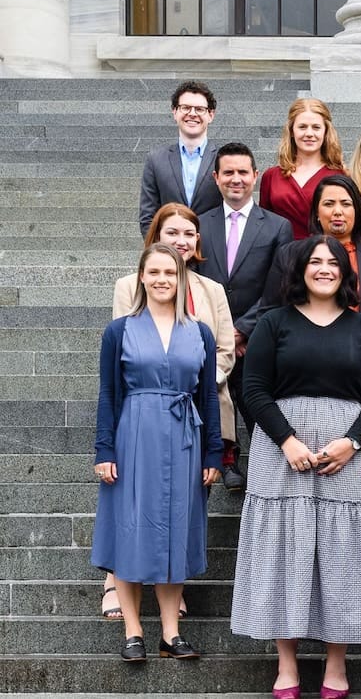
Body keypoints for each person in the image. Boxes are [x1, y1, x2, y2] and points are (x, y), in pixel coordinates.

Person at [234, 235, 361, 699]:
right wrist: (286, 440)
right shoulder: (273, 323)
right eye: (315, 261)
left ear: (346, 272)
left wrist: (353, 442)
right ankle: (286, 664)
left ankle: (336, 665)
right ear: (300, 269)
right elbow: (254, 388)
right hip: (282, 450)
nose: (324, 268)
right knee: (286, 550)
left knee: (344, 557)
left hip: (350, 456)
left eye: (333, 262)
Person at [94, 244, 222, 662]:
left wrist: (213, 454)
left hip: (185, 439)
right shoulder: (120, 330)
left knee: (175, 532)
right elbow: (109, 393)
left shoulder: (199, 331)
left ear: (182, 277)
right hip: (135, 435)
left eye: (171, 271)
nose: (163, 279)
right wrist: (105, 448)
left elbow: (207, 398)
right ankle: (133, 632)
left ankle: (171, 633)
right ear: (142, 277)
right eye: (155, 272)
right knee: (130, 529)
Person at [111, 204, 235, 503]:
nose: (182, 240)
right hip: (148, 410)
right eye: (173, 232)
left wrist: (198, 380)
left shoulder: (212, 289)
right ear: (157, 235)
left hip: (204, 405)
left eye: (189, 234)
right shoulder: (129, 286)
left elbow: (226, 349)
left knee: (189, 500)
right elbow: (125, 346)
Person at [194, 142, 294, 491]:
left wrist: (242, 330)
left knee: (254, 395)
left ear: (255, 176)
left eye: (243, 173)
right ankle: (226, 459)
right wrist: (220, 332)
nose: (236, 179)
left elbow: (279, 286)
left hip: (255, 333)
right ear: (216, 178)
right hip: (209, 331)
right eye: (228, 173)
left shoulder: (277, 227)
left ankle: (267, 465)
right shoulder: (199, 225)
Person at [259, 175, 361, 372]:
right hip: (303, 369)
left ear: (357, 211)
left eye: (345, 204)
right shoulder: (290, 255)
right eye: (328, 203)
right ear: (316, 212)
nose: (337, 211)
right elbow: (269, 312)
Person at [139, 80, 222, 234]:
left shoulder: (223, 159)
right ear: (175, 112)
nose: (192, 113)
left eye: (199, 109)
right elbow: (148, 217)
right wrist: (162, 253)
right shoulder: (156, 160)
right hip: (170, 253)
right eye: (185, 108)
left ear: (211, 115)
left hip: (212, 253)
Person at [260, 98, 348, 240]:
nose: (309, 133)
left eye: (316, 127)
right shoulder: (271, 176)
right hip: (281, 256)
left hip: (323, 255)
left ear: (325, 132)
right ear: (292, 131)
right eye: (302, 127)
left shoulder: (339, 176)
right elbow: (263, 226)